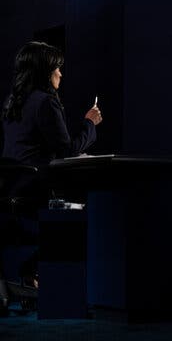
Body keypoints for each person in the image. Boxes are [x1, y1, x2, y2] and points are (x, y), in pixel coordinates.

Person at [0, 41, 102, 313]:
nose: (61, 74)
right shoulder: (46, 101)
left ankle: (31, 273)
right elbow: (66, 149)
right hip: (38, 191)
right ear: (46, 71)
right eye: (57, 68)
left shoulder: (12, 102)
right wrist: (90, 123)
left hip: (12, 189)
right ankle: (33, 270)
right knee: (94, 213)